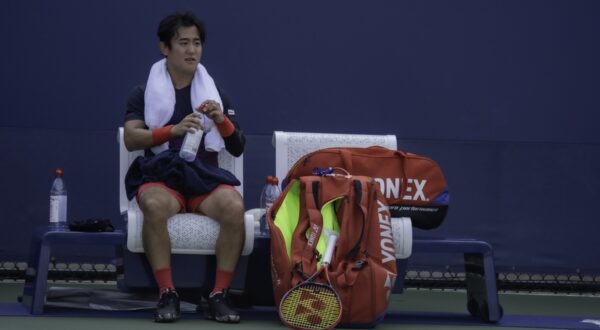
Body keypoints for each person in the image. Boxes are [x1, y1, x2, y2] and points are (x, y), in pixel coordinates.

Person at [123, 11, 245, 323]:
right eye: (183, 43)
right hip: (164, 176)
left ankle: (219, 294)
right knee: (151, 203)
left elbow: (237, 146)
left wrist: (221, 120)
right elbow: (133, 138)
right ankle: (167, 293)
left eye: (197, 43)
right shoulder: (143, 93)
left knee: (234, 206)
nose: (192, 50)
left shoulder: (215, 94)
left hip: (204, 178)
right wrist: (172, 130)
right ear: (165, 48)